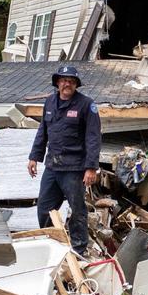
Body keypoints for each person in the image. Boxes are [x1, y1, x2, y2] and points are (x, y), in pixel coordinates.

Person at [27, 64, 101, 256]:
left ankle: (79, 249)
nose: (67, 84)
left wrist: (91, 168)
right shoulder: (50, 102)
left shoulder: (86, 105)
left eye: (71, 81)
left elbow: (93, 138)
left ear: (76, 84)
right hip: (52, 166)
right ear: (57, 83)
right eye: (63, 80)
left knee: (77, 210)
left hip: (74, 169)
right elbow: (42, 131)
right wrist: (34, 157)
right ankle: (49, 243)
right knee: (44, 207)